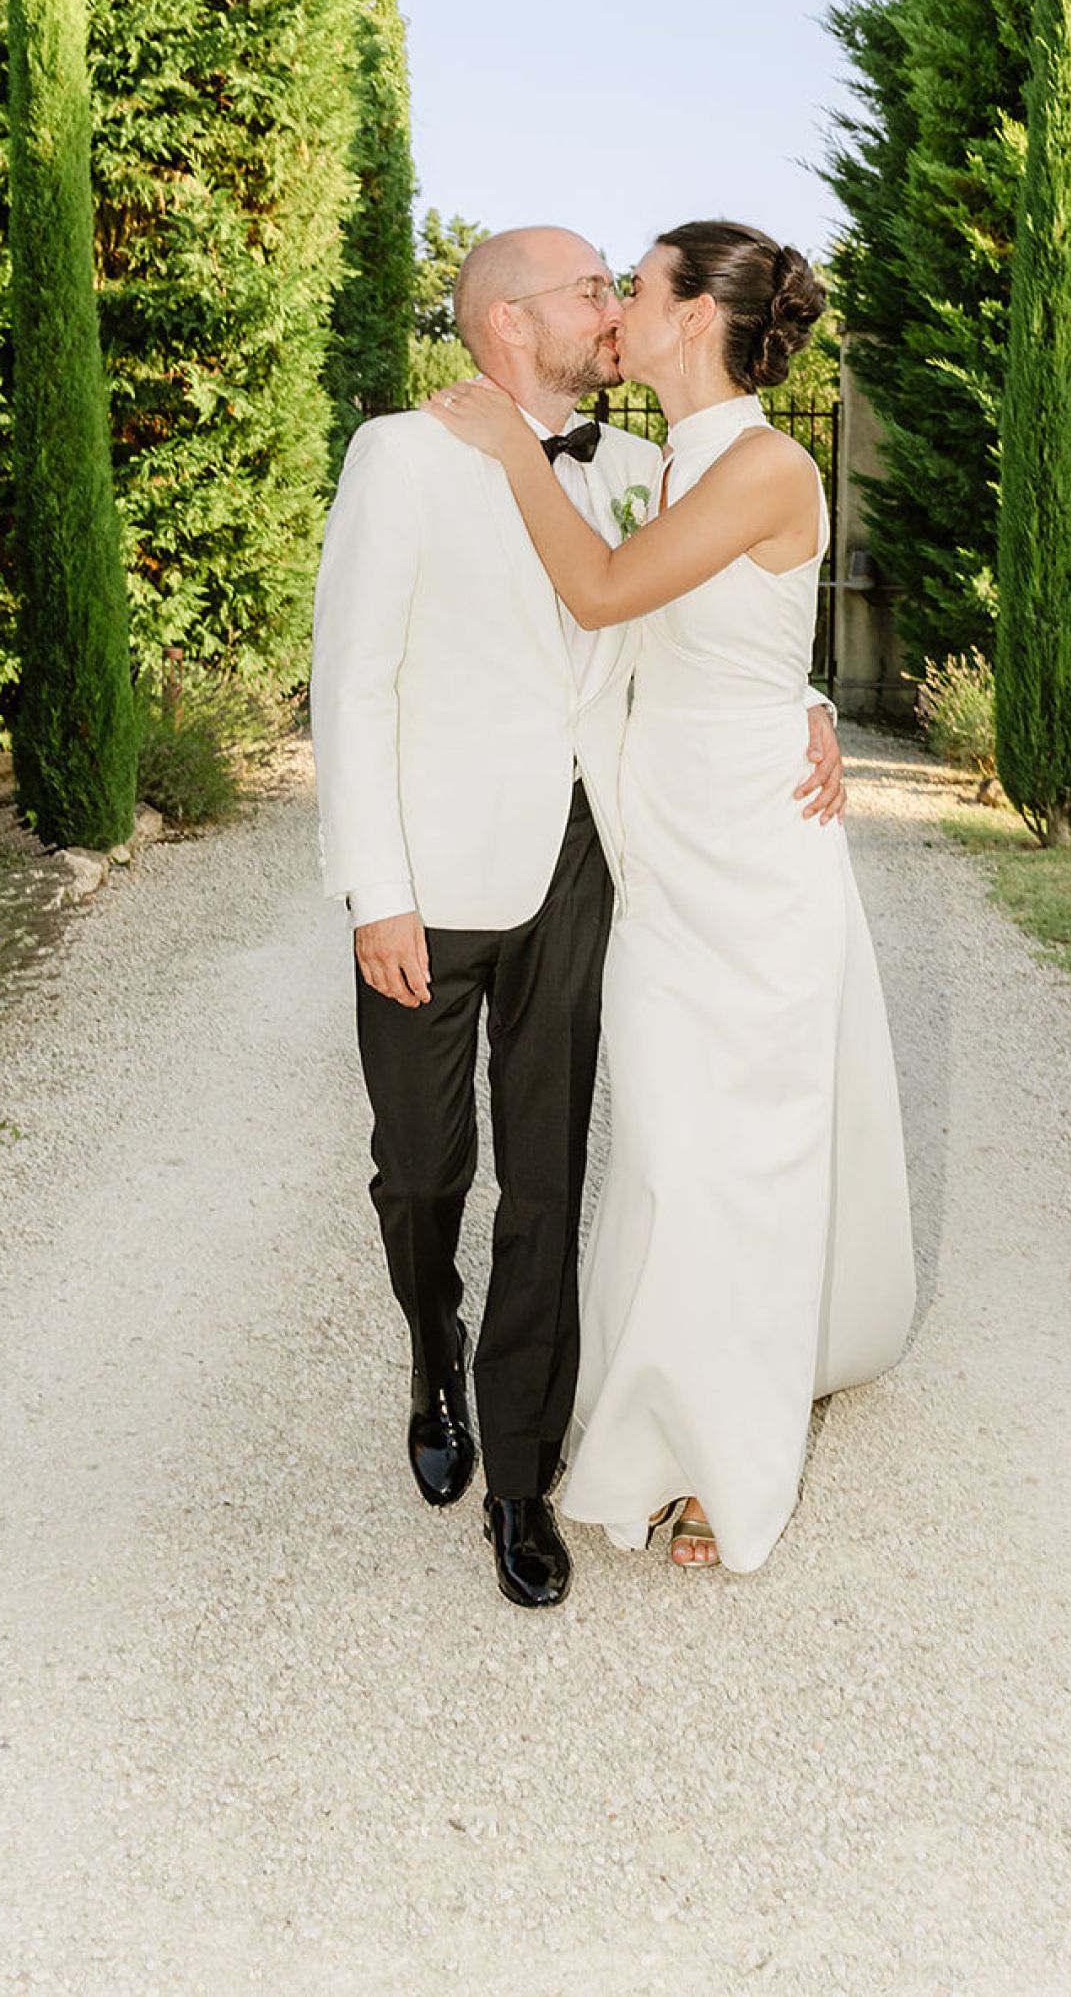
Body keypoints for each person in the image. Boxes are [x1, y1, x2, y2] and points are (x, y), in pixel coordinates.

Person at [310, 224, 847, 1608]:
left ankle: (522, 1482)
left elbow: (720, 618)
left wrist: (813, 708)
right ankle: (432, 1351)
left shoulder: (635, 471)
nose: (611, 312)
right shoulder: (399, 455)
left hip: (592, 874)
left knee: (547, 1184)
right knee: (424, 1173)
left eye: (626, 287)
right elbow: (351, 688)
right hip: (428, 888)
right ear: (506, 322)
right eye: (590, 290)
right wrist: (379, 891)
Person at [427, 219, 915, 1574]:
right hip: (660, 858)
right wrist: (811, 693)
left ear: (695, 317)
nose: (616, 310)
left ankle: (728, 1456)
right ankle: (642, 1425)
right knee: (659, 1151)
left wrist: (508, 445)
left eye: (636, 288)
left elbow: (599, 594)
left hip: (751, 863)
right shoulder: (665, 463)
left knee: (731, 1164)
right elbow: (715, 640)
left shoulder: (767, 461)